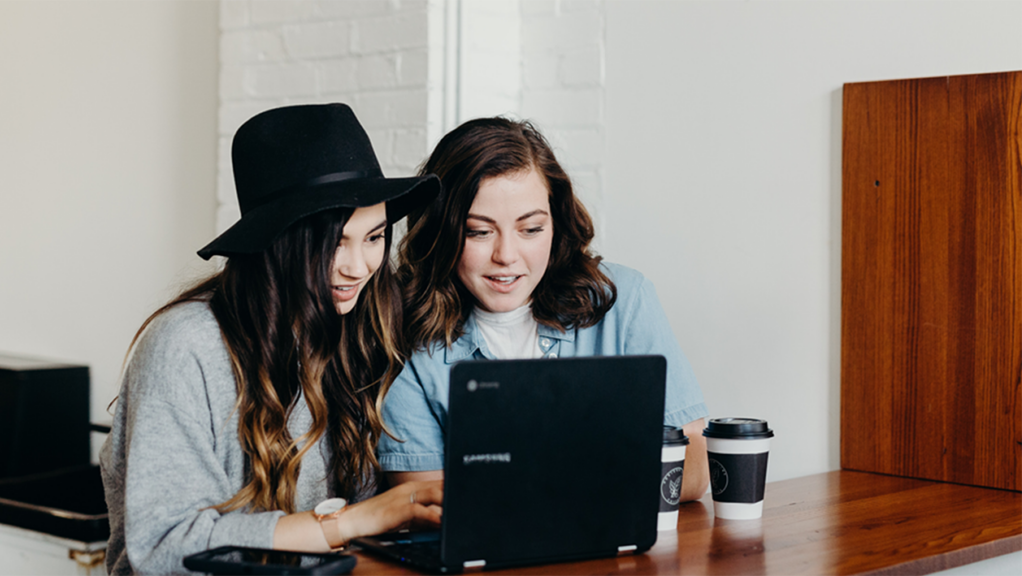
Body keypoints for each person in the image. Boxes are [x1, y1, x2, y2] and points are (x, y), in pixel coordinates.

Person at [100, 104, 444, 576]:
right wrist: (353, 520)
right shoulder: (186, 345)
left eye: (374, 237)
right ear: (279, 240)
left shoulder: (358, 330)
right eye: (335, 242)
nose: (359, 266)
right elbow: (164, 548)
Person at [379, 117, 710, 502]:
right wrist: (601, 469)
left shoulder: (623, 300)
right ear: (441, 231)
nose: (506, 256)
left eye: (531, 229)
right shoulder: (403, 331)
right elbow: (422, 502)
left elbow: (693, 470)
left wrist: (526, 484)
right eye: (479, 232)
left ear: (556, 223)